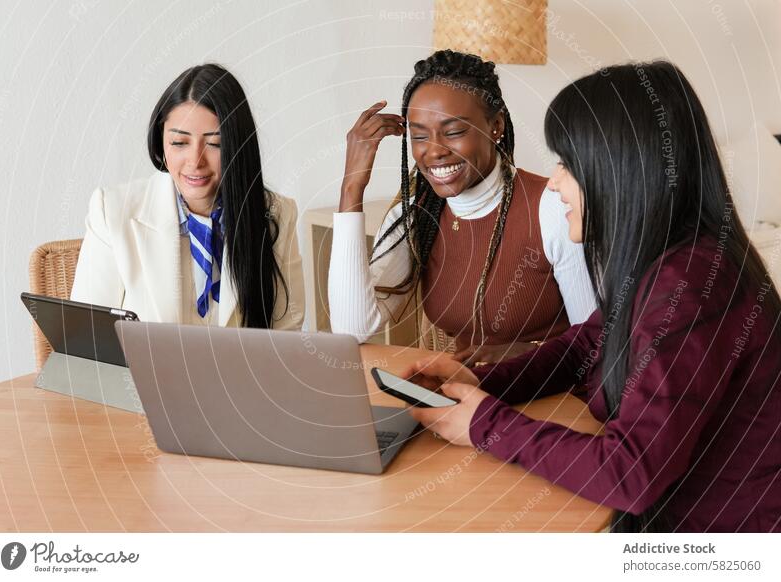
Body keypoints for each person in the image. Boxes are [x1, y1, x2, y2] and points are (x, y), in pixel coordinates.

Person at [402, 61, 781, 532]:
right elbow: (585, 345)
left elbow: (633, 473)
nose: (555, 182)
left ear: (621, 167)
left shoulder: (692, 285)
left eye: (567, 163)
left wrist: (486, 424)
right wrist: (482, 383)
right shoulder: (664, 257)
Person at [329, 49, 595, 365]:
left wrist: (528, 353)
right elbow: (351, 329)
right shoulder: (418, 212)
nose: (435, 151)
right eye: (419, 136)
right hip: (466, 397)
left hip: (551, 399)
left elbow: (594, 347)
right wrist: (351, 188)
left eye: (454, 132)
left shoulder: (555, 207)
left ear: (496, 127)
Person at [72, 64, 304, 329]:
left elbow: (287, 336)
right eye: (180, 143)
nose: (195, 161)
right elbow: (87, 341)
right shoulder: (112, 211)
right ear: (161, 142)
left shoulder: (276, 213)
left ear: (239, 146)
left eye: (215, 144)